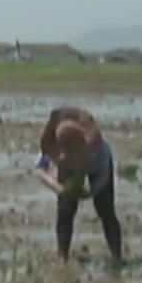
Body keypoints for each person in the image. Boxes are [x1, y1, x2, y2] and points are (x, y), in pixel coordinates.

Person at [32, 107, 122, 263]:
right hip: (67, 172)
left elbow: (103, 176)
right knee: (65, 211)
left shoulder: (100, 151)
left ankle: (117, 256)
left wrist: (91, 192)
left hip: (96, 170)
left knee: (106, 210)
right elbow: (39, 169)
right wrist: (56, 187)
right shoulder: (54, 145)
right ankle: (62, 257)